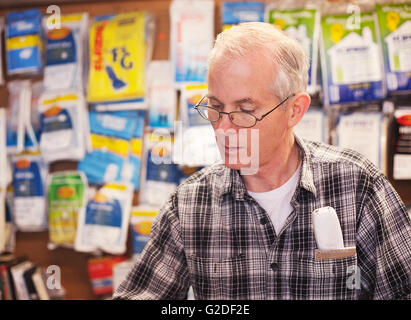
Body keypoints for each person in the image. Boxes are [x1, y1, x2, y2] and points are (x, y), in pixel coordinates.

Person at [113, 22, 410, 300]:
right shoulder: (189, 206)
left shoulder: (357, 185)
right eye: (215, 108)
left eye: (245, 110)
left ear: (295, 110)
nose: (224, 129)